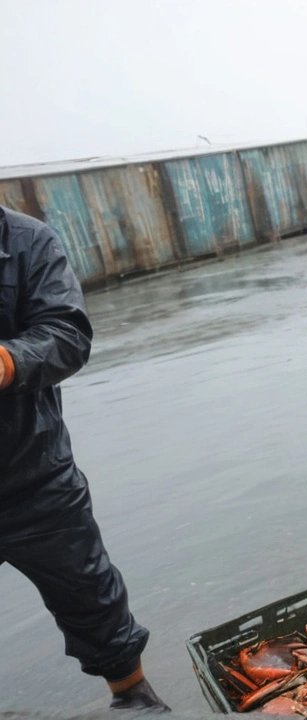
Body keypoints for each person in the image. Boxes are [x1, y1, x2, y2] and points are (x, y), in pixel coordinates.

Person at [0, 206, 169, 711]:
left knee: (95, 603)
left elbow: (69, 333)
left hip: (35, 473)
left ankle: (135, 697)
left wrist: (8, 361)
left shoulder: (29, 240)